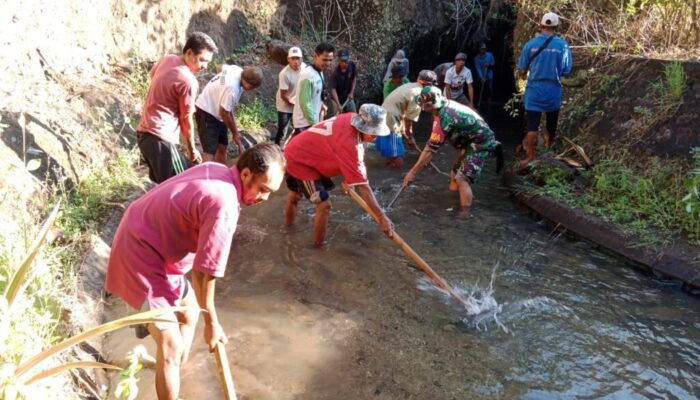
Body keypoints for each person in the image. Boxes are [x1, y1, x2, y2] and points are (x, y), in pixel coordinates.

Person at [105, 143, 285, 400]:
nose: (264, 198)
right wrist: (212, 323)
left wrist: (207, 318)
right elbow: (204, 273)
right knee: (170, 345)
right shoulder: (224, 205)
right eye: (264, 189)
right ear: (246, 174)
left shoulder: (218, 169)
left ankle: (174, 372)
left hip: (156, 245)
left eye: (271, 192)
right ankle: (170, 367)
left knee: (189, 313)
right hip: (141, 252)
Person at [284, 104, 395, 245]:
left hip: (299, 148)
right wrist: (381, 217)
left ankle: (287, 232)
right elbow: (363, 186)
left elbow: (338, 147)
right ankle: (318, 248)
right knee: (324, 205)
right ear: (362, 127)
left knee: (295, 194)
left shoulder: (350, 117)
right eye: (373, 133)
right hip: (302, 162)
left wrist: (350, 179)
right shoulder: (351, 145)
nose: (375, 137)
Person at [403, 87, 500, 214]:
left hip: (481, 143)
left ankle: (464, 215)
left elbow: (430, 149)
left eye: (426, 106)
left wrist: (412, 173)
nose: (424, 108)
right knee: (454, 173)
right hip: (468, 143)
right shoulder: (441, 108)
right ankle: (455, 201)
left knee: (462, 178)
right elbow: (434, 143)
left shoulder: (446, 116)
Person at [136, 32, 217, 183]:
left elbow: (153, 74)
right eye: (202, 60)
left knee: (164, 187)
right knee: (182, 184)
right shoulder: (188, 81)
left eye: (208, 62)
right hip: (161, 138)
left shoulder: (168, 59)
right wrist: (192, 150)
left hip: (144, 135)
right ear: (189, 52)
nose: (205, 66)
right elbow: (186, 119)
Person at [517, 12, 573, 167]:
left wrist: (523, 75)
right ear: (556, 28)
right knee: (551, 123)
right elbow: (566, 69)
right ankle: (548, 149)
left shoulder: (530, 45)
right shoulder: (562, 45)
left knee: (532, 125)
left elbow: (522, 69)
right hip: (553, 90)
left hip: (534, 89)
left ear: (541, 26)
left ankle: (531, 157)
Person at [195, 64, 263, 163]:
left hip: (219, 113)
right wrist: (235, 133)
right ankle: (206, 176)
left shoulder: (237, 69)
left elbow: (219, 67)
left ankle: (222, 171)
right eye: (252, 87)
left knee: (223, 145)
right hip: (206, 110)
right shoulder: (232, 89)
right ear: (247, 82)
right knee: (209, 150)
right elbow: (225, 113)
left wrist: (220, 87)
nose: (252, 89)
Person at [376, 69, 437, 168]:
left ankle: (387, 170)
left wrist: (405, 131)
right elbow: (408, 119)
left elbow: (404, 113)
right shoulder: (419, 95)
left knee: (390, 149)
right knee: (397, 153)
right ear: (429, 85)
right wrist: (411, 137)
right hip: (391, 118)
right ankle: (400, 178)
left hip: (382, 114)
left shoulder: (410, 85)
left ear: (418, 79)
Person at [292, 42, 335, 134]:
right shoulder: (308, 75)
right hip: (304, 124)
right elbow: (305, 104)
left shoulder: (319, 71)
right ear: (315, 56)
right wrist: (315, 125)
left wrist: (321, 104)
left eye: (330, 60)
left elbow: (315, 94)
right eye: (325, 59)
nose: (328, 63)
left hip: (311, 121)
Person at [274, 47, 306, 146]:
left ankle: (294, 149)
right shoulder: (284, 74)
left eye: (298, 58)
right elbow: (283, 95)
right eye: (293, 58)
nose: (296, 61)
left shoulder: (305, 68)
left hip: (298, 101)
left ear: (302, 59)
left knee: (300, 128)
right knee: (283, 130)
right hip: (285, 105)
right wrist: (295, 104)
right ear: (288, 59)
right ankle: (277, 149)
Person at [329, 49, 358, 115]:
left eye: (346, 60)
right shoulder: (335, 73)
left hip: (348, 97)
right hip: (336, 99)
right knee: (336, 118)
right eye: (343, 61)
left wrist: (351, 92)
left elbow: (354, 78)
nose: (345, 62)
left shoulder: (352, 65)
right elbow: (333, 90)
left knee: (354, 116)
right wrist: (338, 104)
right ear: (339, 61)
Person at [474, 43, 496, 112]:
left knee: (489, 90)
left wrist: (489, 65)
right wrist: (481, 77)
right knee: (480, 90)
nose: (483, 50)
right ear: (479, 50)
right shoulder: (476, 58)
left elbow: (493, 63)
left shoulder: (490, 55)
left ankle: (488, 103)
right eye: (482, 49)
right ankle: (479, 104)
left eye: (484, 49)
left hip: (489, 76)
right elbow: (478, 68)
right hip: (481, 77)